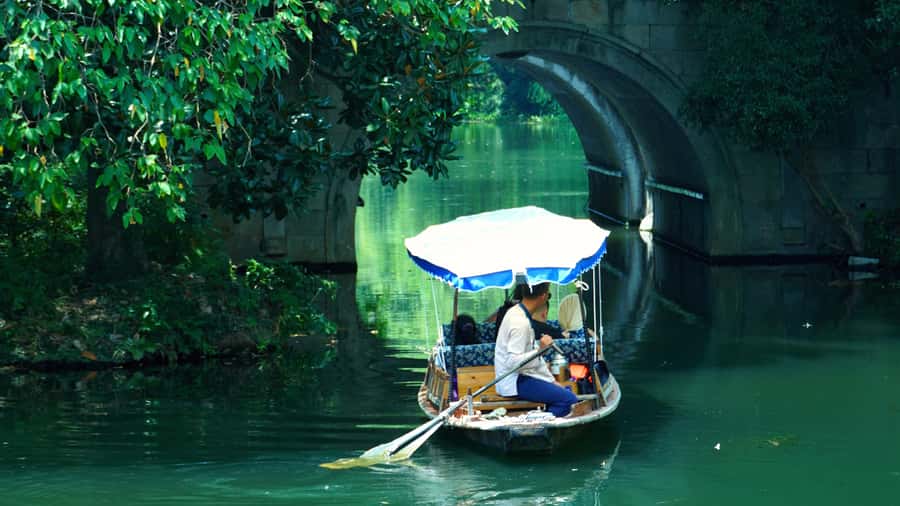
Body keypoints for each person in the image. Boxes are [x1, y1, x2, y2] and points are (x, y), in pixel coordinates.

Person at [494, 282, 578, 417]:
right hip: (514, 381)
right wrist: (541, 349)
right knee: (569, 400)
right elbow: (512, 362)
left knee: (565, 391)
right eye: (548, 295)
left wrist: (552, 381)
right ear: (543, 296)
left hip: (522, 376)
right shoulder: (520, 323)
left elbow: (534, 359)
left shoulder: (517, 312)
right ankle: (536, 424)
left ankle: (543, 417)